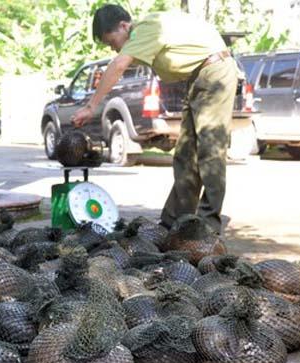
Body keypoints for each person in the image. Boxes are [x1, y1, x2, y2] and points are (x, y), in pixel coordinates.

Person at [71, 5, 237, 234]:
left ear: (123, 26)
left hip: (215, 72)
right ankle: (175, 221)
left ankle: (208, 226)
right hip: (197, 78)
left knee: (209, 150)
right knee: (185, 154)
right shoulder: (144, 35)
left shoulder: (145, 29)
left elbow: (118, 65)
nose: (114, 48)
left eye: (112, 42)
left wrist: (91, 106)